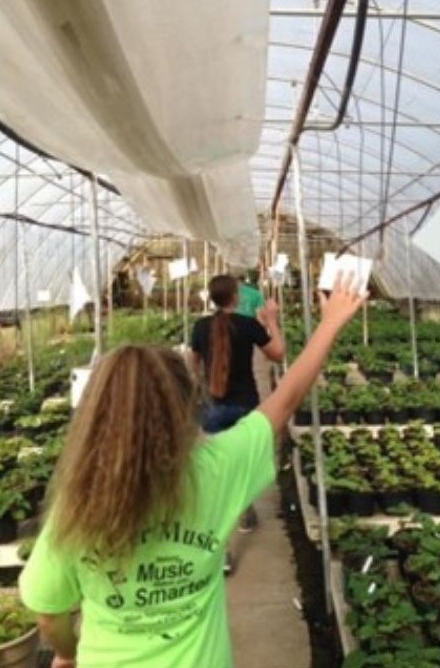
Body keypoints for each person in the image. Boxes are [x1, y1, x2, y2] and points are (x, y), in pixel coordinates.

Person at [19, 273, 368, 668]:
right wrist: (330, 323)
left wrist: (66, 654)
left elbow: (48, 611)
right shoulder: (215, 469)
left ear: (94, 416)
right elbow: (285, 399)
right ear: (185, 406)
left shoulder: (76, 502)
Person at [190, 274, 283, 541]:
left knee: (218, 467)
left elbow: (192, 365)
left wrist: (203, 388)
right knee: (242, 463)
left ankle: (224, 540)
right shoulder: (247, 324)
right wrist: (272, 321)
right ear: (236, 297)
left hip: (212, 407)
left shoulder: (200, 327)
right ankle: (243, 509)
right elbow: (278, 353)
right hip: (245, 404)